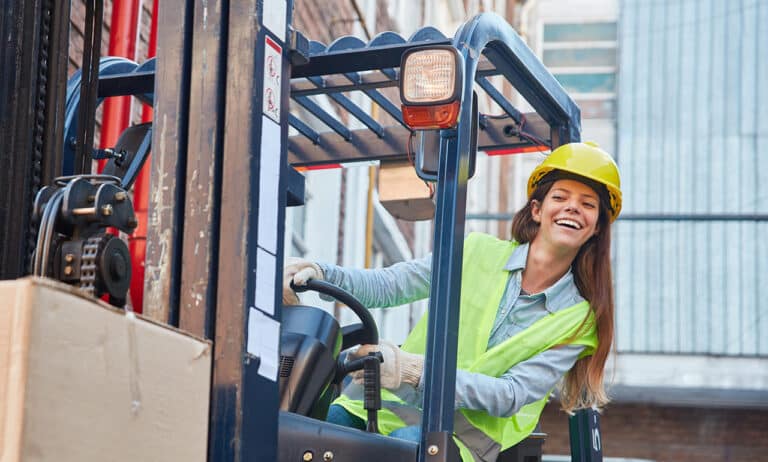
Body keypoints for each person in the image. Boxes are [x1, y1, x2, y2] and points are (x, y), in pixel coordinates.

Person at [283, 142, 622, 462]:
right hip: (375, 404)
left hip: (455, 440)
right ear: (537, 209)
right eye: (560, 196)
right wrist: (319, 273)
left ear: (596, 228)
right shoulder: (476, 252)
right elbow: (391, 285)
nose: (573, 208)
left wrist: (412, 370)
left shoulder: (578, 321)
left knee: (404, 444)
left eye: (588, 204)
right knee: (299, 433)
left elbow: (511, 394)